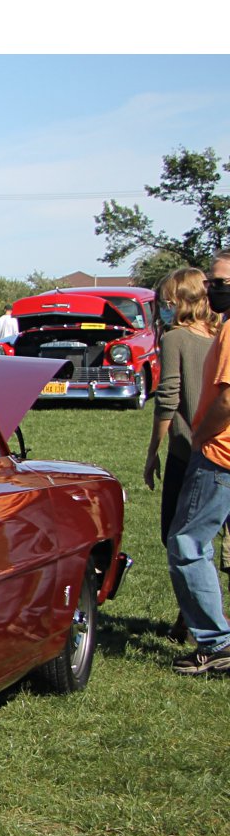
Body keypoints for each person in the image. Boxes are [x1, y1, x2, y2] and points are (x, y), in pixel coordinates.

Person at [145, 268, 222, 642]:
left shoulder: (175, 338)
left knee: (179, 539)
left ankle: (201, 626)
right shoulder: (218, 334)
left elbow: (168, 398)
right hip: (219, 452)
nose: (163, 307)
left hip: (189, 450)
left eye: (168, 301)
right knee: (206, 538)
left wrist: (152, 451)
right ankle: (193, 618)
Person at [165, 250, 230, 673]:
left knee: (187, 543)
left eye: (220, 280)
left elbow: (227, 397)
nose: (212, 287)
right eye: (210, 280)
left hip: (221, 455)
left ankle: (216, 642)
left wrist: (203, 434)